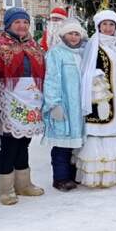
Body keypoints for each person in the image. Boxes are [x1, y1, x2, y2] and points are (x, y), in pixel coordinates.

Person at [0, 7, 46, 206]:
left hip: (31, 101)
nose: (22, 26)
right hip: (8, 101)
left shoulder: (34, 46)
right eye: (17, 22)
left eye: (25, 22)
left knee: (24, 143)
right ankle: (5, 189)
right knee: (9, 145)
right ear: (9, 24)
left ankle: (23, 184)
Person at [76, 10, 116, 188]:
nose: (108, 28)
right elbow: (85, 69)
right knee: (100, 132)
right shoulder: (94, 44)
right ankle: (97, 176)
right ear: (98, 26)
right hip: (100, 96)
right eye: (104, 25)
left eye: (111, 25)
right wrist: (96, 77)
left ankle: (115, 174)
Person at [41, 18, 88, 191]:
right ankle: (60, 178)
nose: (74, 37)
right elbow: (51, 79)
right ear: (63, 35)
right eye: (71, 33)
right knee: (62, 143)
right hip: (64, 105)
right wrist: (53, 104)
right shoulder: (56, 53)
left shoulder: (83, 53)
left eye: (77, 33)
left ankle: (73, 175)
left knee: (76, 144)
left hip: (80, 107)